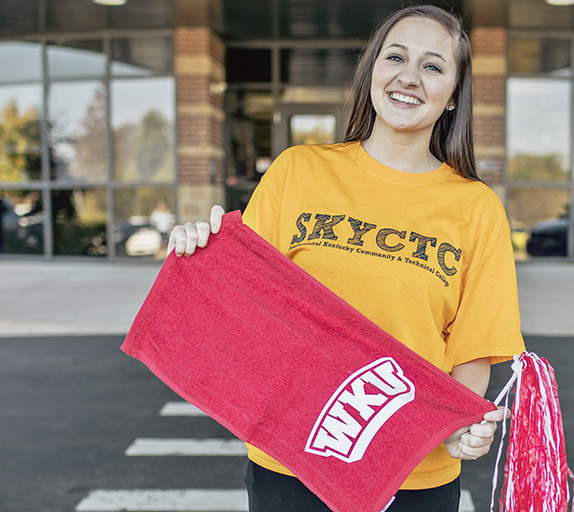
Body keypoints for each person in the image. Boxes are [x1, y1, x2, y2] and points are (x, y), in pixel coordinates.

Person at [168, 5, 525, 511]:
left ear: (452, 97)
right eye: (396, 56)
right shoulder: (298, 171)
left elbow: (472, 351)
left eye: (433, 65)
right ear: (372, 72)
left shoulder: (476, 208)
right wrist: (199, 249)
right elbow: (242, 300)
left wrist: (457, 428)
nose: (409, 77)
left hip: (414, 468)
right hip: (293, 458)